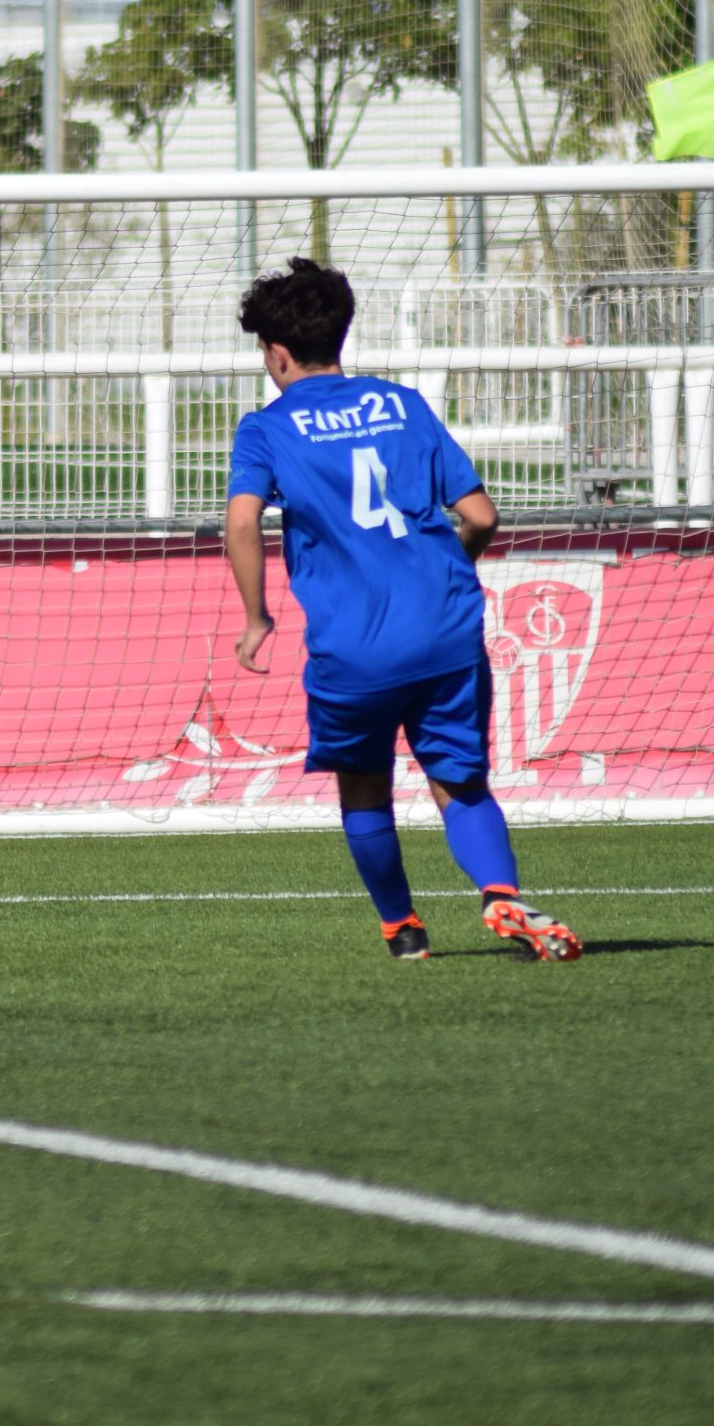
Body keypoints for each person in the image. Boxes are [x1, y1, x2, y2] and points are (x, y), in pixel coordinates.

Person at [223, 258, 581, 962]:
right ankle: (501, 892)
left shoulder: (265, 429)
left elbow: (240, 524)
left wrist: (256, 615)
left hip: (356, 646)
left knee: (364, 790)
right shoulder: (404, 403)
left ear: (276, 351)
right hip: (447, 631)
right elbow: (480, 514)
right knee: (460, 780)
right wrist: (444, 571)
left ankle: (404, 931)